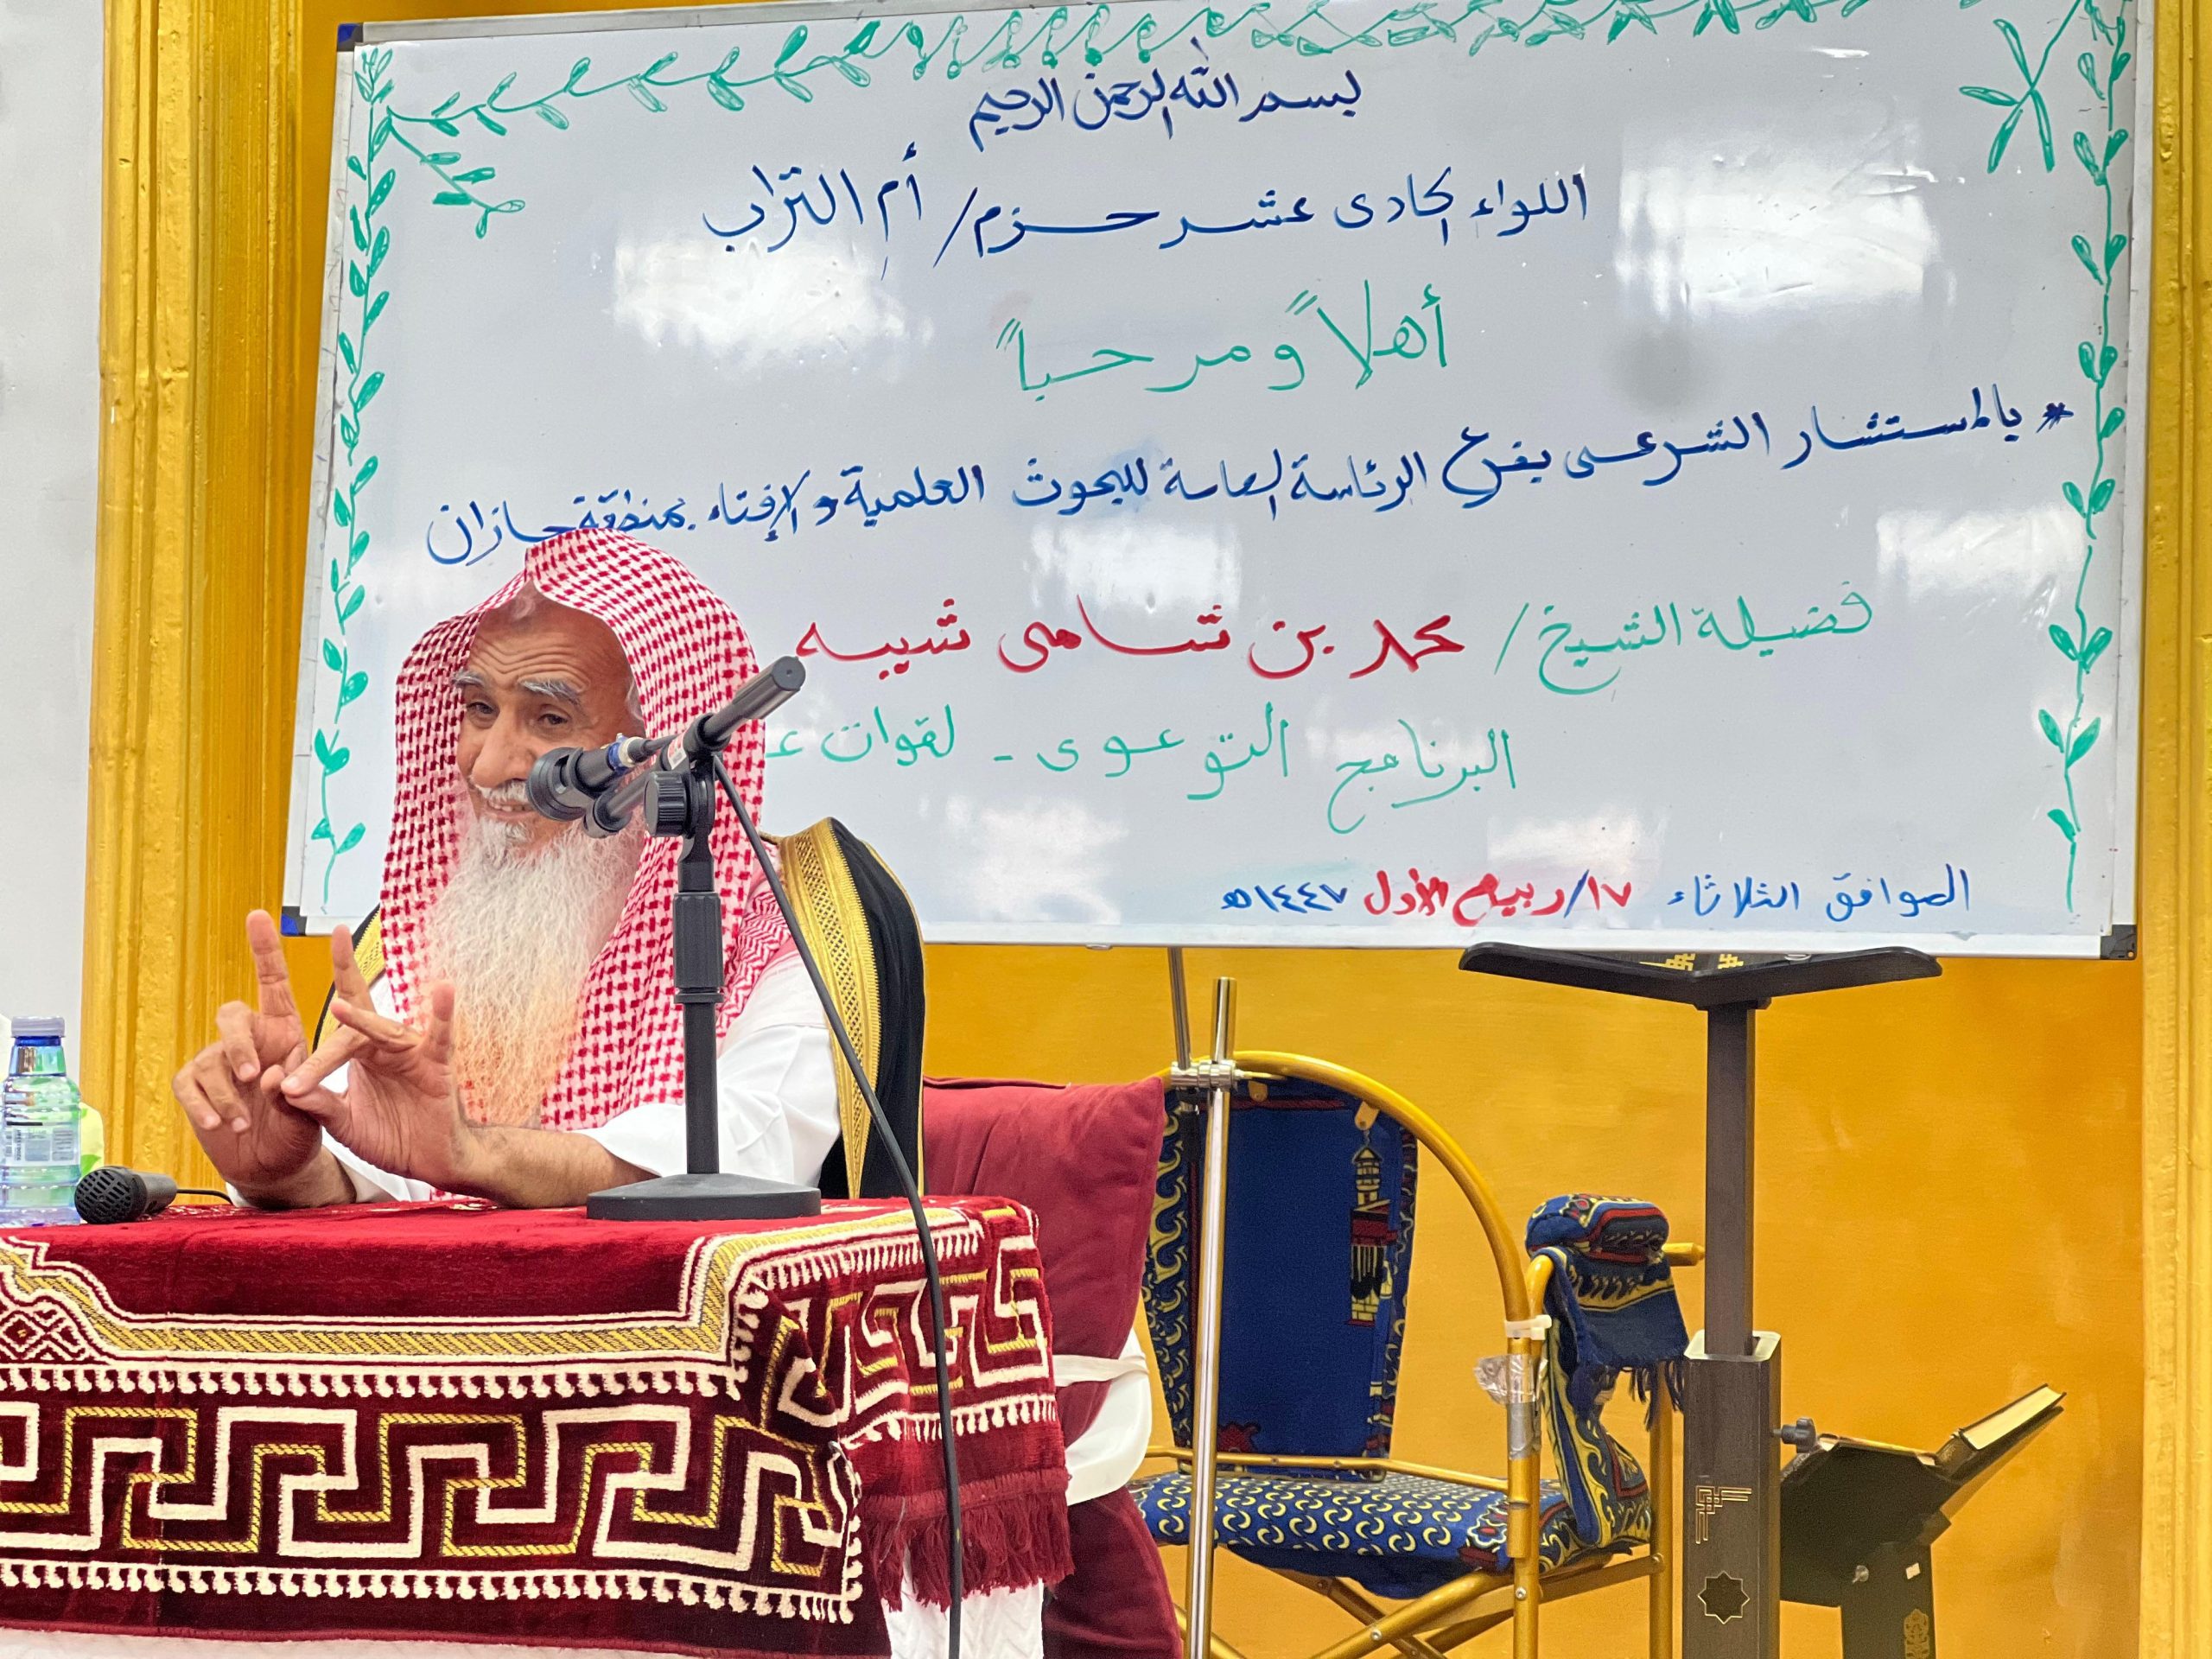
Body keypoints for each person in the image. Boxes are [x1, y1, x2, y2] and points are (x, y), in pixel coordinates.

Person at [171, 528, 917, 1209]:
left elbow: (749, 1155)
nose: (489, 765)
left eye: (550, 720)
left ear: (656, 747)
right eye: (479, 710)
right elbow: (381, 1170)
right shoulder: (426, 931)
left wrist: (476, 1155)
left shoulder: (792, 924)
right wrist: (288, 1170)